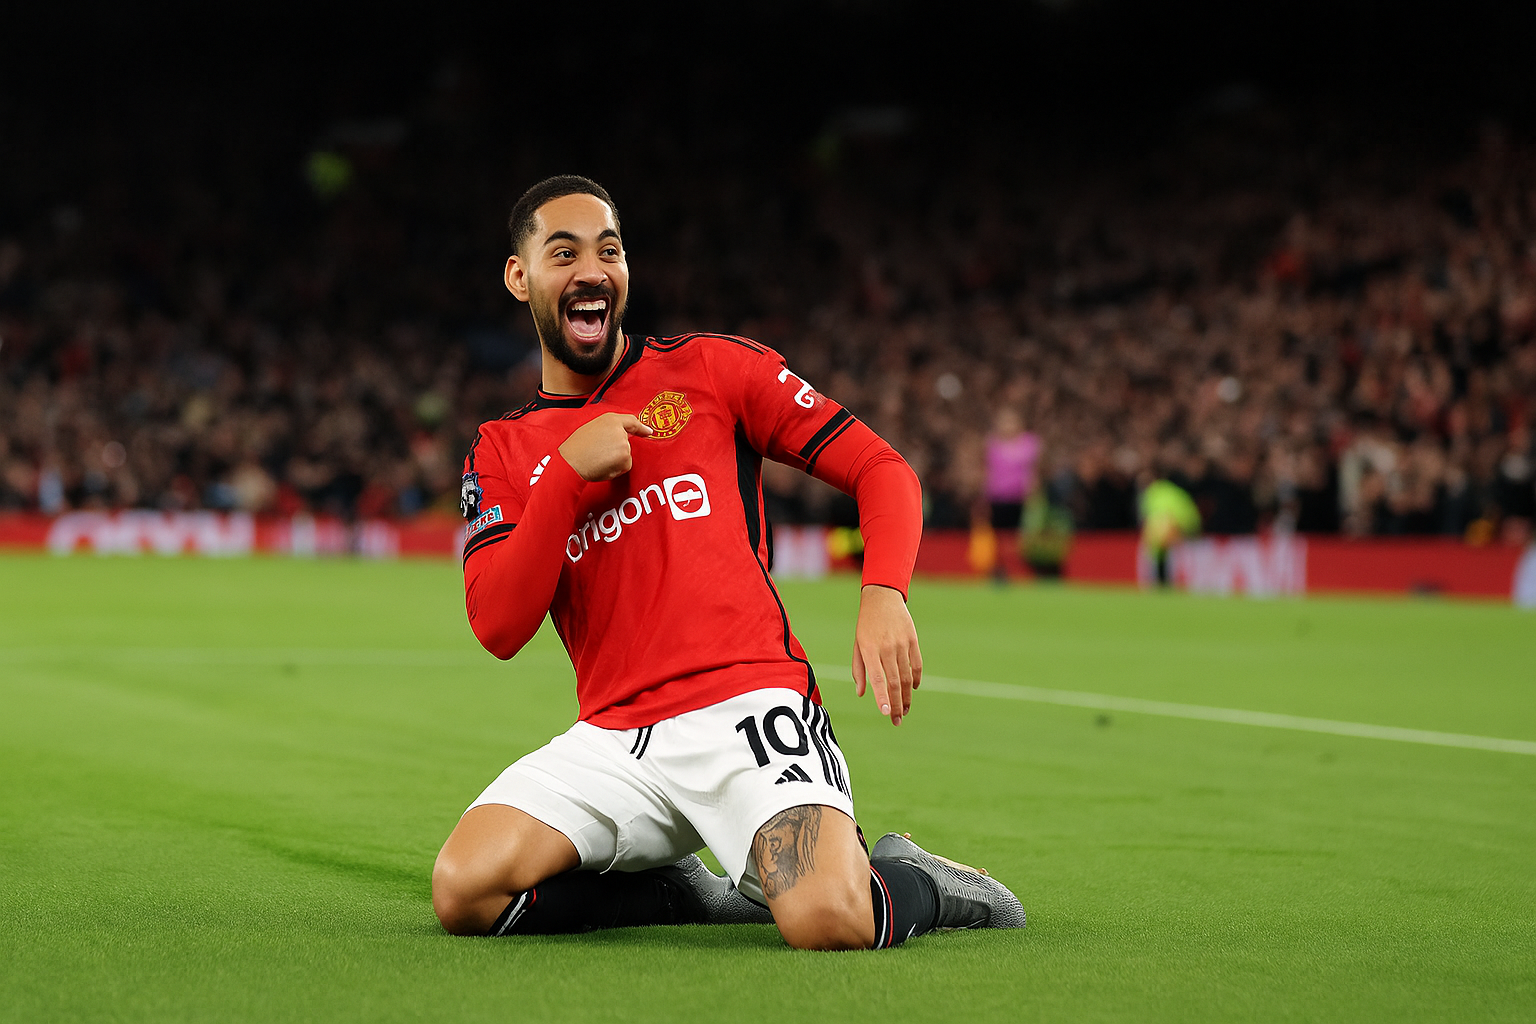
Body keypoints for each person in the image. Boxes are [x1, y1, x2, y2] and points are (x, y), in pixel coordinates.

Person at [431, 175, 1025, 950]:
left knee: (827, 918)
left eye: (609, 250)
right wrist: (568, 477)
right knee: (464, 890)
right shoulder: (502, 449)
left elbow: (881, 469)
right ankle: (673, 891)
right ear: (520, 276)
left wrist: (884, 591)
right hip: (615, 736)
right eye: (564, 253)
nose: (592, 270)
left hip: (750, 706)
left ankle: (916, 877)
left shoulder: (711, 369)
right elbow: (499, 626)